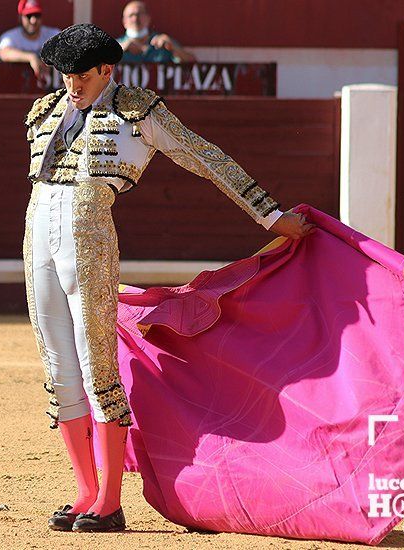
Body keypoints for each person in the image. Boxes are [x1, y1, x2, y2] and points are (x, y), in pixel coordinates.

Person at [21, 23, 313, 533]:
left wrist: (270, 215)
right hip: (36, 235)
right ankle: (85, 490)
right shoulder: (46, 112)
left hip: (89, 237)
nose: (72, 85)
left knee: (96, 365)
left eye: (82, 77)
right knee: (58, 368)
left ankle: (109, 501)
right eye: (66, 76)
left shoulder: (137, 112)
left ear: (107, 70)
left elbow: (205, 158)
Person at [117, 1, 196, 63]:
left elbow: (193, 62)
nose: (135, 19)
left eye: (139, 14)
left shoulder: (163, 43)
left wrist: (173, 47)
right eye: (131, 15)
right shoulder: (115, 45)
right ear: (124, 22)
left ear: (148, 18)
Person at [0, 0, 61, 78]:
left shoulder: (52, 34)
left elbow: (65, 49)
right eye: (29, 16)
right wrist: (31, 57)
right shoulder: (10, 37)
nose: (33, 20)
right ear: (20, 17)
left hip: (49, 86)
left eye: (37, 15)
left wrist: (49, 61)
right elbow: (3, 53)